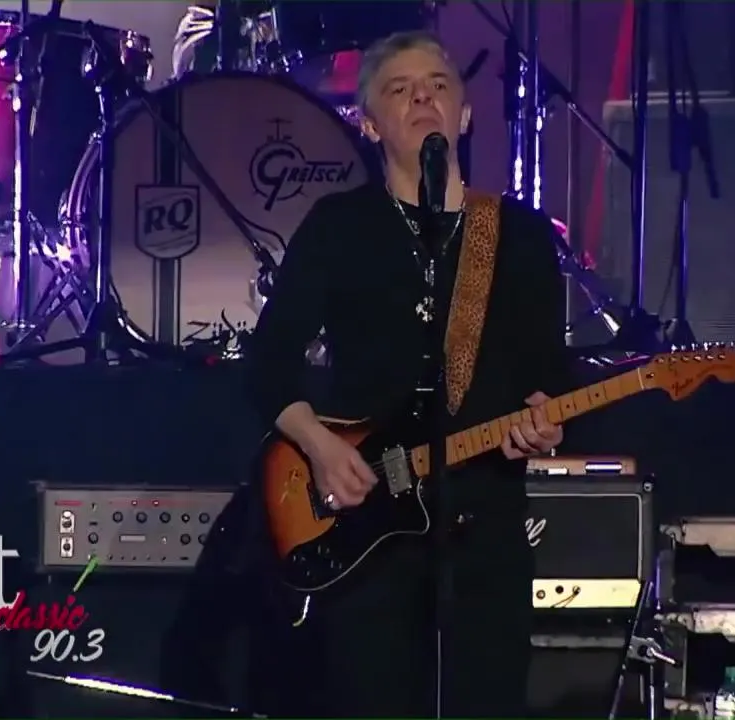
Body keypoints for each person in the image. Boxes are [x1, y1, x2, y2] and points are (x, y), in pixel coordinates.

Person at [245, 30, 570, 718]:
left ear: (466, 115)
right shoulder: (340, 227)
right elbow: (267, 361)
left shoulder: (519, 235)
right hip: (369, 536)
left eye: (439, 86)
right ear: (368, 125)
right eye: (400, 89)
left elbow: (550, 373)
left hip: (484, 536)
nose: (424, 98)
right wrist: (321, 446)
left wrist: (545, 420)